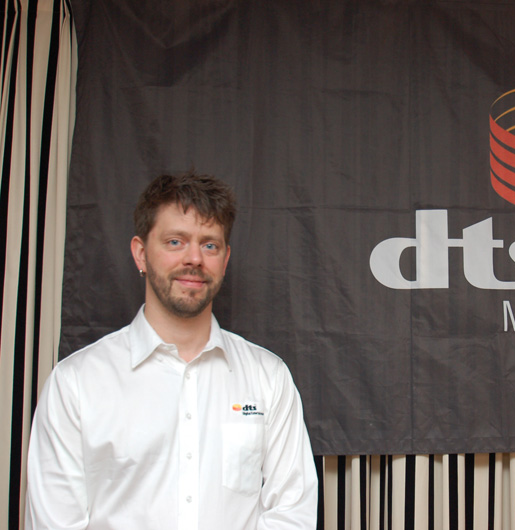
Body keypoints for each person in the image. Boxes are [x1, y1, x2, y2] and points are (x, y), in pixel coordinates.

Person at [25, 172, 318, 529]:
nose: (194, 258)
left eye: (209, 245)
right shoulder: (75, 383)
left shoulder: (268, 377)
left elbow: (292, 514)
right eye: (175, 241)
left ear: (225, 259)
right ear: (141, 253)